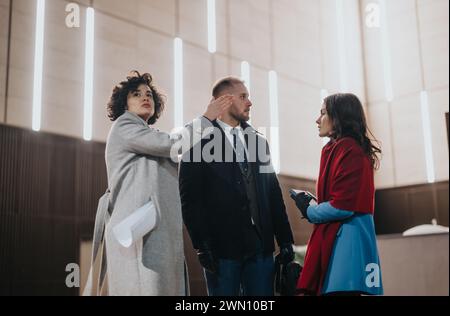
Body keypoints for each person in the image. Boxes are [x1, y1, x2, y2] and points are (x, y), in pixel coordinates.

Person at [83, 71, 232, 296]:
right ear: (125, 103)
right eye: (137, 94)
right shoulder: (124, 126)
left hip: (154, 231)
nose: (146, 97)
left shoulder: (150, 133)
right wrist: (205, 119)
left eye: (149, 95)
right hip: (137, 232)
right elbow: (172, 144)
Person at [179, 76, 295, 296]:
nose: (249, 102)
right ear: (223, 100)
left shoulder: (259, 141)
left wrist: (286, 239)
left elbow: (273, 194)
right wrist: (201, 245)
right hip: (222, 251)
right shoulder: (196, 140)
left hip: (261, 250)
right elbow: (190, 199)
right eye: (243, 97)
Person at [292, 93, 383, 296]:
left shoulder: (349, 149)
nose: (317, 120)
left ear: (339, 117)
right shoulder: (337, 148)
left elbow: (343, 205)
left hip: (349, 246)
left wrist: (310, 209)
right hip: (342, 241)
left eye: (323, 113)